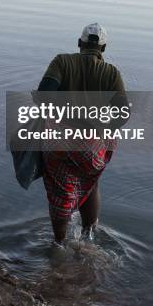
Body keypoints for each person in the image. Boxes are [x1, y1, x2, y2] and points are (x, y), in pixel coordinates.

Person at [38, 23, 127, 244]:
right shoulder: (111, 73)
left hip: (59, 142)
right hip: (91, 147)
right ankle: (88, 238)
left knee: (60, 192)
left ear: (79, 43)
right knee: (91, 184)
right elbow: (122, 113)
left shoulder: (62, 61)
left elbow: (42, 96)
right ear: (103, 48)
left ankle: (59, 244)